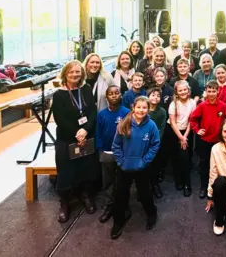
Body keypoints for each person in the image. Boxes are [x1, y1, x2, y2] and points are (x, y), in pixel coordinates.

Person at [52, 60, 99, 223]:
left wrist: (85, 130)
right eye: (71, 72)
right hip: (67, 137)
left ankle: (86, 195)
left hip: (86, 134)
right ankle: (64, 202)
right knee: (65, 169)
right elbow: (60, 119)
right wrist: (76, 133)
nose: (75, 75)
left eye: (78, 72)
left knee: (87, 166)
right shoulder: (58, 95)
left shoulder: (85, 89)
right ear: (65, 73)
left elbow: (93, 111)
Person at [111, 96, 160, 239]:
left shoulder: (151, 126)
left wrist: (144, 161)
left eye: (144, 107)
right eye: (139, 107)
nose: (141, 110)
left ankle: (152, 214)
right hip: (124, 167)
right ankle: (118, 221)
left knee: (145, 193)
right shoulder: (123, 124)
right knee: (120, 194)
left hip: (142, 167)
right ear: (133, 107)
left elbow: (155, 145)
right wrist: (121, 162)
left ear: (148, 108)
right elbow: (116, 145)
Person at [189, 80, 226, 199]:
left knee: (219, 165)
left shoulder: (222, 105)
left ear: (218, 91)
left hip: (219, 141)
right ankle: (204, 187)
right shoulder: (202, 105)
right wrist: (197, 130)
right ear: (206, 92)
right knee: (204, 164)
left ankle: (217, 187)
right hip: (205, 141)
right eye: (209, 91)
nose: (212, 93)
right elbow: (192, 119)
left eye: (214, 91)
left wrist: (225, 130)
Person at [96, 85, 130, 223]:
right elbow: (98, 133)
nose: (114, 96)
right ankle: (110, 206)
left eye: (117, 93)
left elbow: (130, 133)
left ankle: (124, 206)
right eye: (111, 94)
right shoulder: (101, 114)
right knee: (108, 181)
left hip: (123, 153)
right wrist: (100, 150)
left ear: (121, 95)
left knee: (123, 181)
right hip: (106, 152)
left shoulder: (127, 112)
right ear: (106, 97)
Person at [168, 80, 197, 195]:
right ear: (176, 92)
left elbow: (191, 120)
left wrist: (185, 137)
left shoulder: (192, 103)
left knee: (185, 158)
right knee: (176, 158)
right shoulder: (173, 104)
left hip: (186, 131)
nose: (183, 92)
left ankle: (187, 184)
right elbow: (173, 123)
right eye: (180, 90)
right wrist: (181, 137)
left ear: (188, 90)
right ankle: (178, 180)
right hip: (174, 132)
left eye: (185, 89)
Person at [147, 87, 167, 198]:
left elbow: (161, 129)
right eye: (153, 95)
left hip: (155, 144)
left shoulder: (162, 112)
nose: (155, 97)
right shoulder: (143, 109)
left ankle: (155, 185)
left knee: (155, 166)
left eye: (158, 96)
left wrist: (154, 143)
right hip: (142, 143)